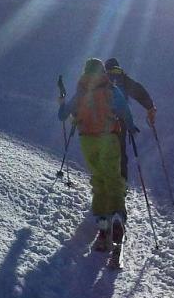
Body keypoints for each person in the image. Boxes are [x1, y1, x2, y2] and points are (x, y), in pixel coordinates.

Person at [59, 58, 130, 258]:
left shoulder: (81, 92)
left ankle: (102, 226)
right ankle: (117, 216)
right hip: (109, 138)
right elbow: (124, 110)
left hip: (87, 141)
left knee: (98, 180)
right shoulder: (110, 89)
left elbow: (62, 115)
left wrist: (62, 102)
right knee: (113, 178)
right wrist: (130, 128)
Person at [103, 57, 156, 183]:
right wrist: (150, 107)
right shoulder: (123, 79)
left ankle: (105, 182)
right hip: (121, 120)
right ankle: (122, 183)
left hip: (103, 120)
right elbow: (139, 91)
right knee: (120, 151)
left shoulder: (102, 79)